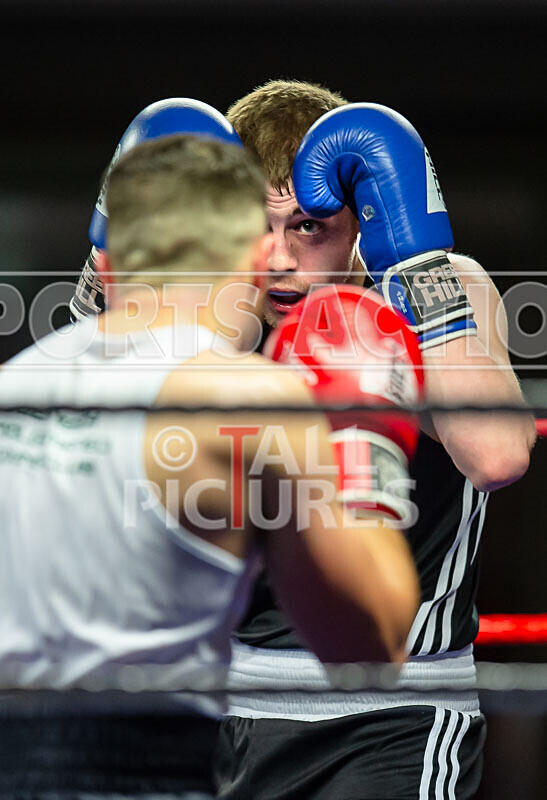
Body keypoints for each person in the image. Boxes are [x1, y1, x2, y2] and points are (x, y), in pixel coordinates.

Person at [0, 129, 421, 798]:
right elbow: (368, 642)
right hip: (146, 771)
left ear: (107, 270)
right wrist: (363, 444)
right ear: (259, 261)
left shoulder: (14, 382)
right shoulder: (246, 400)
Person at [211, 80, 537, 799]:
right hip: (229, 712)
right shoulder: (227, 311)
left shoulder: (450, 287)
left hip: (396, 713)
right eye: (255, 228)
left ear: (364, 215)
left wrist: (409, 280)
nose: (279, 259)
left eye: (308, 227)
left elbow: (497, 456)